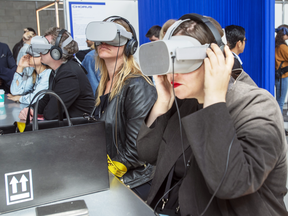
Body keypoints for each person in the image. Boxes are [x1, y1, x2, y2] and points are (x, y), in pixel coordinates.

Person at [137, 14, 288, 216]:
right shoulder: (184, 101)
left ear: (215, 58)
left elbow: (232, 184)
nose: (173, 74)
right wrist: (163, 101)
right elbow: (147, 153)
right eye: (171, 61)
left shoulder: (258, 106)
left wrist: (215, 98)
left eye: (185, 61)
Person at [88, 16, 157, 200]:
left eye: (112, 37)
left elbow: (137, 151)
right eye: (101, 37)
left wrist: (102, 173)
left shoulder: (137, 85)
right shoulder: (103, 84)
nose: (104, 42)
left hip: (135, 180)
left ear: (130, 45)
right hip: (111, 174)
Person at [18, 27, 95, 120]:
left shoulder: (69, 74)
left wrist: (34, 114)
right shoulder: (57, 71)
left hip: (79, 130)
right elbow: (47, 99)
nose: (39, 52)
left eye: (44, 47)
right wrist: (30, 109)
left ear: (56, 51)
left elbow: (52, 114)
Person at [8, 36, 52, 104]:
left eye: (31, 55)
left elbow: (36, 98)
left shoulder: (48, 74)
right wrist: (20, 68)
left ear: (42, 56)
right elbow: (15, 92)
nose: (28, 57)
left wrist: (20, 98)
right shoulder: (34, 74)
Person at [275, 25, 288, 114]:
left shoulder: (275, 44)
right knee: (280, 103)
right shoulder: (283, 47)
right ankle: (278, 126)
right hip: (282, 77)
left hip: (276, 75)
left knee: (276, 102)